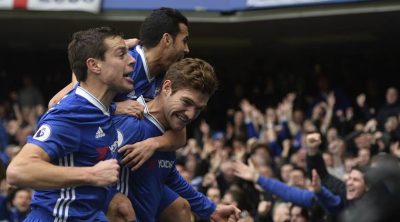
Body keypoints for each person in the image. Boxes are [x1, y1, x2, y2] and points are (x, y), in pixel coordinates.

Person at [6, 27, 135, 221]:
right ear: (94, 65)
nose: (132, 60)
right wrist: (91, 174)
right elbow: (18, 170)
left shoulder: (102, 106)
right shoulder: (70, 114)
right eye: (121, 54)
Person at [48, 7, 190, 171]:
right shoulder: (121, 64)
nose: (187, 49)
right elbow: (58, 102)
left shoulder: (167, 79)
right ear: (167, 40)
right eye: (184, 41)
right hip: (86, 170)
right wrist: (115, 107)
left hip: (126, 171)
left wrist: (152, 144)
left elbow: (180, 135)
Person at [113, 58, 240, 222]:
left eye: (198, 109)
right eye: (186, 102)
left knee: (181, 208)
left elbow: (167, 175)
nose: (191, 115)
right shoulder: (132, 124)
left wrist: (210, 209)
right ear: (167, 87)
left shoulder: (169, 131)